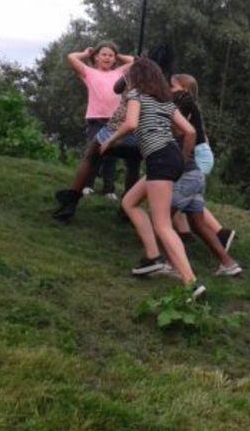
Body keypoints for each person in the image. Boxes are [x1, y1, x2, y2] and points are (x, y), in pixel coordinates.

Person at [99, 57, 206, 300]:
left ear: (137, 76)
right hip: (172, 157)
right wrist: (183, 155)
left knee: (163, 225)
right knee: (129, 202)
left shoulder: (136, 94)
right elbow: (189, 131)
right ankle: (152, 257)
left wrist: (109, 140)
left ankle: (191, 283)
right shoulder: (165, 101)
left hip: (159, 159)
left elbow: (130, 123)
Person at [170, 74, 236, 251]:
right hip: (201, 152)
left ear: (185, 90)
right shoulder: (189, 105)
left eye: (173, 87)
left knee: (180, 191)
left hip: (197, 154)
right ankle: (185, 233)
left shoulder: (186, 105)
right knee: (182, 193)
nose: (170, 90)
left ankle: (221, 233)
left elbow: (183, 131)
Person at [67, 42, 133, 200]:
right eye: (104, 54)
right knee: (94, 152)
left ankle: (109, 189)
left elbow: (134, 61)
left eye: (111, 55)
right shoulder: (88, 72)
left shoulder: (119, 72)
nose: (107, 57)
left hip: (115, 120)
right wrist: (86, 53)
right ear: (96, 57)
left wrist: (119, 55)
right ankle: (87, 185)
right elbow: (71, 57)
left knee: (111, 153)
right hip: (96, 119)